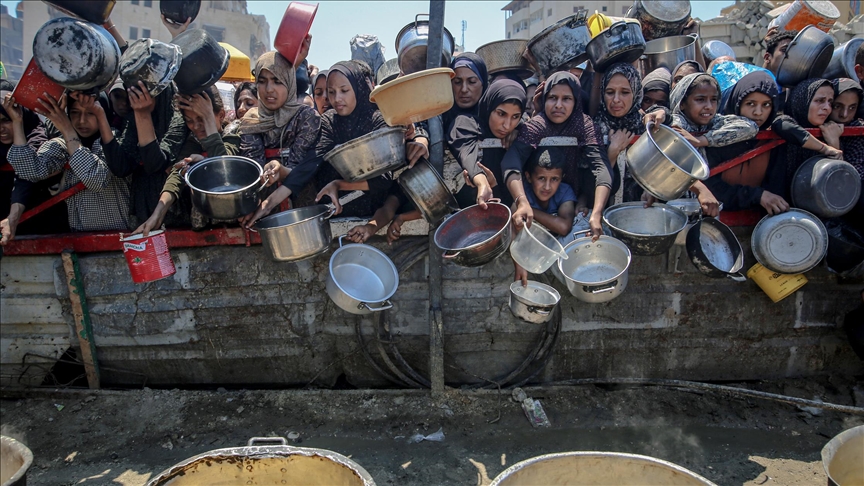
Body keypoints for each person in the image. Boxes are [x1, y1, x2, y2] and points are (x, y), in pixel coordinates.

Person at [243, 60, 429, 224]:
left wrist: (339, 184)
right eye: (331, 92)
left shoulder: (378, 120)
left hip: (372, 217)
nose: (336, 99)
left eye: (344, 91)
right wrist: (267, 205)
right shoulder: (329, 121)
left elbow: (383, 180)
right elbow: (308, 166)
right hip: (334, 212)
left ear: (358, 88)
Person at [500, 72, 612, 240]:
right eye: (552, 97)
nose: (558, 105)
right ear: (544, 98)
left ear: (576, 101)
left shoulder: (584, 124)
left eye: (566, 99)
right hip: (535, 196)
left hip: (569, 197)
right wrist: (522, 201)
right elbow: (511, 159)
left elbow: (601, 168)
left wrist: (596, 213)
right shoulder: (538, 124)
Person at [5, 92, 130, 232]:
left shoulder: (113, 141)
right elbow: (30, 171)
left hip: (120, 238)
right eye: (75, 112)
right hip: (79, 241)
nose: (81, 121)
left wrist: (67, 128)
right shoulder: (62, 143)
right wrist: (17, 121)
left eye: (90, 113)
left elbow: (96, 179)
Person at [133, 85, 242, 235]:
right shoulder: (194, 141)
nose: (196, 126)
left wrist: (204, 160)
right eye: (190, 121)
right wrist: (157, 214)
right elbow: (176, 174)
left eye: (202, 118)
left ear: (221, 115)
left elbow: (224, 168)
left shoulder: (234, 131)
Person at [238, 50, 321, 215]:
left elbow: (298, 166)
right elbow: (254, 167)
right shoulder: (251, 120)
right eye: (262, 82)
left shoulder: (306, 117)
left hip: (303, 210)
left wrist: (280, 170)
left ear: (290, 81)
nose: (269, 89)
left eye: (277, 81)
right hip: (262, 213)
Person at [703, 71, 795, 213]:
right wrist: (756, 195)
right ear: (737, 103)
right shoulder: (716, 136)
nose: (758, 112)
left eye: (766, 105)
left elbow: (776, 186)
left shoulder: (774, 140)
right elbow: (710, 187)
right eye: (750, 104)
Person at [102, 79, 189, 228]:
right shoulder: (132, 118)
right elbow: (121, 167)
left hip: (176, 211)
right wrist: (99, 115)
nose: (140, 99)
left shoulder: (179, 117)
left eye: (147, 93)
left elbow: (155, 163)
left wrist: (143, 115)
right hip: (143, 207)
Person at [448, 78, 527, 208]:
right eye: (501, 114)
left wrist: (519, 129)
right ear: (489, 106)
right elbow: (467, 153)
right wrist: (482, 183)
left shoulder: (520, 130)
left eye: (515, 117)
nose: (507, 125)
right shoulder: (465, 124)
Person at [595, 63, 668, 204]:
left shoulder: (646, 125)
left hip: (644, 213)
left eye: (624, 92)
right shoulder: (593, 128)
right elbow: (587, 188)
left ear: (636, 92)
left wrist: (652, 189)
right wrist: (612, 153)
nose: (616, 99)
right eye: (610, 92)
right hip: (606, 214)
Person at [512, 146, 576, 284]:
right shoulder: (522, 193)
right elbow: (512, 224)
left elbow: (564, 226)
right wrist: (520, 262)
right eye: (541, 178)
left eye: (554, 179)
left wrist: (529, 210)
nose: (547, 186)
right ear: (528, 177)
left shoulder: (564, 191)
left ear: (562, 178)